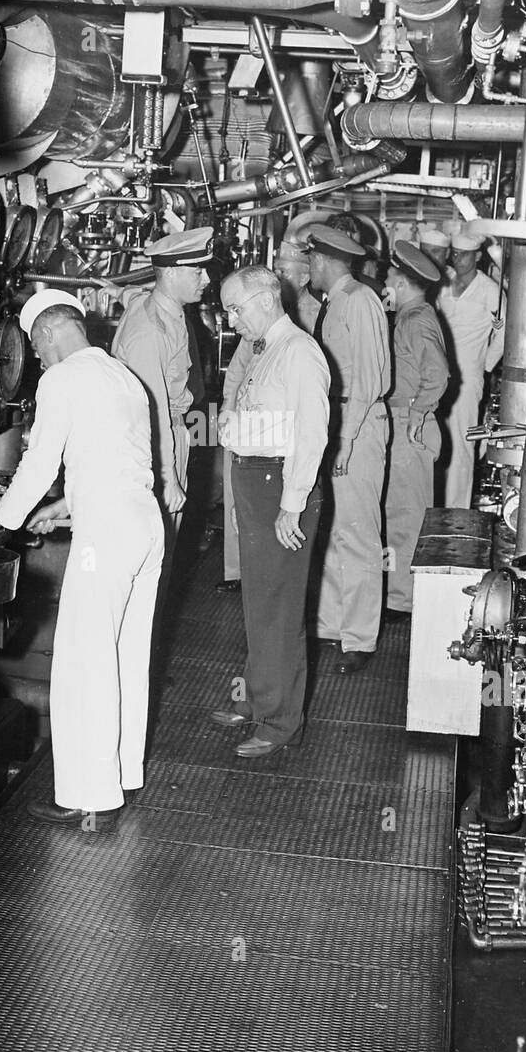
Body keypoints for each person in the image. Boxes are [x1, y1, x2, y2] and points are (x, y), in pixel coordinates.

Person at [0, 290, 163, 829]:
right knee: (125, 656)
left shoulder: (62, 377)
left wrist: (3, 519)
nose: (37, 359)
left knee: (83, 662)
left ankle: (88, 796)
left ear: (48, 334)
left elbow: (40, 460)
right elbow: (112, 461)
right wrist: (60, 509)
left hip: (106, 537)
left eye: (34, 347)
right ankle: (120, 775)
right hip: (143, 527)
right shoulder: (123, 377)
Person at [215, 268, 329, 756]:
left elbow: (311, 435)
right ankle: (258, 697)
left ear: (265, 301)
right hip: (256, 482)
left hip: (280, 488)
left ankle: (281, 722)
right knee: (258, 601)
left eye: (236, 309)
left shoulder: (300, 353)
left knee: (279, 608)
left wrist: (291, 505)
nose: (231, 319)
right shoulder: (268, 350)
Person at [304, 225, 391, 674]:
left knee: (357, 534)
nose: (308, 269)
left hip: (357, 426)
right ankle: (330, 628)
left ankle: (359, 639)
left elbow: (371, 381)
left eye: (311, 261)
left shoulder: (360, 301)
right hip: (335, 422)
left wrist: (347, 440)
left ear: (324, 261)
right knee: (332, 529)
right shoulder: (336, 301)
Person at [110, 226, 212, 540]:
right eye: (198, 271)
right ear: (168, 274)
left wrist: (115, 290)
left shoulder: (160, 307)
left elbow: (133, 297)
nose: (207, 279)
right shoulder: (151, 332)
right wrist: (168, 478)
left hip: (175, 433)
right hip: (155, 446)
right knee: (157, 548)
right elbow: (151, 413)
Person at [382, 243, 450, 619]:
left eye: (390, 277)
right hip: (406, 423)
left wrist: (418, 414)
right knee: (398, 517)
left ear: (403, 281)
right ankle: (398, 595)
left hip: (411, 427)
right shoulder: (413, 314)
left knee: (406, 520)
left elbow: (437, 375)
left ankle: (404, 601)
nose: (385, 283)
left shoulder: (416, 319)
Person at [438, 222, 505, 508]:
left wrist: (486, 365)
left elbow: (503, 331)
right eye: (453, 253)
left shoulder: (490, 291)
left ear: (477, 256)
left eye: (463, 254)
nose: (457, 259)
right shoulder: (442, 282)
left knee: (462, 443)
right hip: (438, 370)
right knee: (436, 437)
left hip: (468, 374)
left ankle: (457, 509)